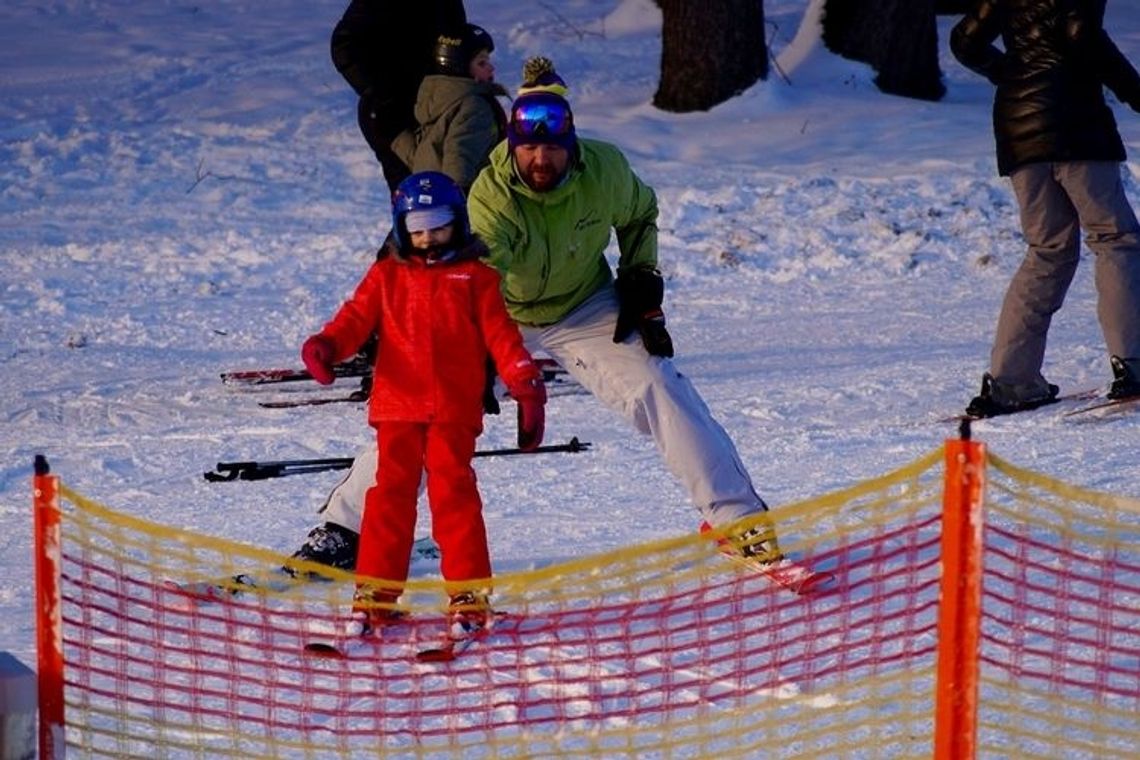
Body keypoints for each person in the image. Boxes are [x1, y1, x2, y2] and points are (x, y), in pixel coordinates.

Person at [290, 58, 780, 575]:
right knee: (425, 412)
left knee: (659, 387)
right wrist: (474, 360)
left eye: (552, 147)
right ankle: (345, 529)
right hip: (497, 311)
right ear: (510, 145)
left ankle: (738, 520)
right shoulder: (491, 199)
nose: (540, 159)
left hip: (583, 304)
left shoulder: (606, 169)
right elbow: (466, 288)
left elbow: (639, 214)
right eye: (529, 148)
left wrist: (640, 275)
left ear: (572, 144)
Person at [299, 171, 547, 634]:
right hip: (397, 404)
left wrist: (525, 383)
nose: (428, 238)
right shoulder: (386, 274)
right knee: (388, 497)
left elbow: (503, 339)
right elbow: (354, 319)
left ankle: (469, 597)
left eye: (438, 225)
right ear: (401, 228)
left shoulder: (477, 278)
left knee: (453, 495)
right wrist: (326, 346)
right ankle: (375, 595)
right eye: (418, 228)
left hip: (454, 408)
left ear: (459, 223)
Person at [951, 0, 1140, 417]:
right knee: (1115, 239)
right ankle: (1134, 364)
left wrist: (1011, 75)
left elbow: (965, 40)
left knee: (1047, 250)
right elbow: (1080, 33)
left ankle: (1011, 381)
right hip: (1076, 123)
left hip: (1018, 128)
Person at [329, 0, 468, 194]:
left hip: (437, 107)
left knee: (444, 192)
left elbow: (457, 44)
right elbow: (344, 44)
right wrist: (381, 95)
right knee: (415, 195)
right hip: (395, 116)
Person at [391, 23, 509, 193]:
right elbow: (460, 157)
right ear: (460, 68)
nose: (491, 68)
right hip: (463, 205)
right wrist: (459, 201)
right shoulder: (475, 107)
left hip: (432, 202)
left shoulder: (438, 102)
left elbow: (427, 157)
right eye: (481, 63)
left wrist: (398, 140)